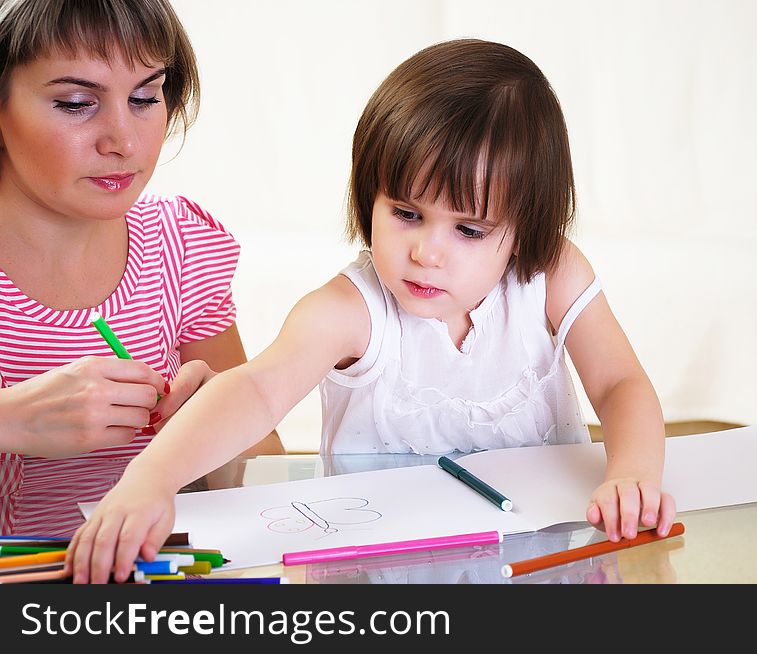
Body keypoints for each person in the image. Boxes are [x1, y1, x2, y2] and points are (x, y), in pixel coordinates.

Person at [68, 38, 676, 583]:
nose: (425, 253)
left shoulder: (551, 274)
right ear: (368, 197)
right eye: (406, 213)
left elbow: (620, 382)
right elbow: (253, 390)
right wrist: (150, 480)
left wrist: (634, 471)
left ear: (525, 230)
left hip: (543, 560)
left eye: (468, 229)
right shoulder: (349, 309)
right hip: (382, 576)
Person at [0, 0, 283, 537]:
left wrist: (212, 433)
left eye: (144, 98)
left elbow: (262, 471)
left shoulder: (182, 248)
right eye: (76, 103)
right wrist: (10, 420)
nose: (123, 142)